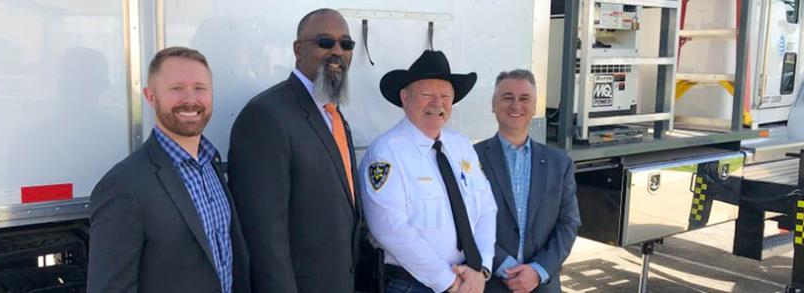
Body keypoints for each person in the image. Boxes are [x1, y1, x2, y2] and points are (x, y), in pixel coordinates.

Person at [87, 46, 250, 292]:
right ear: (150, 96)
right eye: (176, 88)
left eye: (200, 88)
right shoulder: (123, 186)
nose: (190, 99)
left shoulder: (211, 165)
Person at [227, 8, 361, 293]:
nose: (338, 51)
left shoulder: (333, 114)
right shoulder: (266, 116)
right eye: (325, 42)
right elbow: (263, 237)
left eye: (346, 44)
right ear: (298, 50)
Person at [360, 50, 498, 293]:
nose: (438, 103)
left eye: (445, 95)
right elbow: (391, 230)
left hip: (470, 281)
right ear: (405, 97)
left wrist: (482, 269)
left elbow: (487, 209)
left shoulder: (461, 146)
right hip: (413, 285)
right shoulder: (385, 154)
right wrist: (449, 281)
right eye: (427, 95)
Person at [474, 69, 581, 293]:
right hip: (489, 284)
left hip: (542, 285)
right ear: (493, 104)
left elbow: (568, 224)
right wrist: (504, 266)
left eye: (524, 99)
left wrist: (538, 270)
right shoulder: (470, 158)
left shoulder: (560, 163)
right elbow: (464, 221)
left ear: (534, 107)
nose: (516, 105)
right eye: (507, 97)